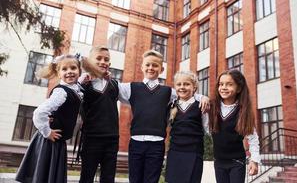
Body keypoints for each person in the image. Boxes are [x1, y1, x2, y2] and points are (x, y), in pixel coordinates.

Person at [118, 50, 210, 183]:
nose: (151, 68)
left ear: (161, 69)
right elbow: (112, 88)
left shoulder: (168, 91)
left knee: (151, 180)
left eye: (155, 65)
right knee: (134, 179)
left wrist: (203, 97)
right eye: (148, 65)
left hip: (157, 144)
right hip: (136, 142)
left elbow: (186, 94)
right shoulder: (131, 87)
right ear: (142, 67)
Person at [15, 54, 100, 183]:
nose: (69, 71)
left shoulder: (73, 87)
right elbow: (39, 113)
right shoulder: (61, 92)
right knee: (43, 178)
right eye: (64, 69)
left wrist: (83, 78)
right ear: (59, 74)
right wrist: (47, 132)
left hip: (57, 142)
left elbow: (76, 86)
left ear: (79, 71)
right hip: (49, 142)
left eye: (73, 68)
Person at [209, 69, 260, 183]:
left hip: (237, 162)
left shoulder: (243, 111)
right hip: (219, 162)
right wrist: (202, 98)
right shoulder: (212, 107)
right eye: (221, 84)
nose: (223, 87)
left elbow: (253, 139)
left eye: (229, 84)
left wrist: (254, 160)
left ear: (239, 88)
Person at [78, 46, 119, 183]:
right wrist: (80, 80)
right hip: (91, 138)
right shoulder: (83, 85)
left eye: (106, 59)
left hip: (112, 139)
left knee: (108, 178)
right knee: (86, 177)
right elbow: (67, 94)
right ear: (90, 62)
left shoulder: (113, 84)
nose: (103, 62)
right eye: (99, 58)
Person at [165, 71, 209, 183]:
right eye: (179, 84)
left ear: (194, 87)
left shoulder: (201, 106)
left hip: (194, 152)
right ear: (175, 87)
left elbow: (208, 129)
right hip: (175, 152)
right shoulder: (171, 105)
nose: (182, 87)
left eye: (186, 84)